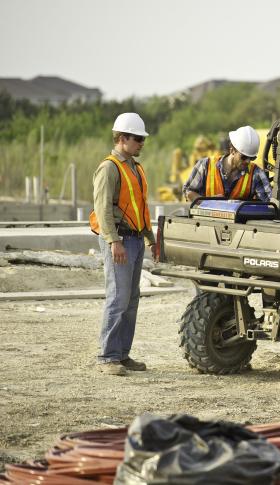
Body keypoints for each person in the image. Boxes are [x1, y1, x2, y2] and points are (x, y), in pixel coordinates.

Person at [89, 112, 156, 376]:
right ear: (122, 138)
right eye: (137, 138)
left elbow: (140, 207)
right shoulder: (108, 168)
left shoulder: (135, 167)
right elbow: (102, 208)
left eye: (142, 139)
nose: (141, 143)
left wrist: (150, 238)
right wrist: (113, 241)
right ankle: (107, 357)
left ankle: (122, 355)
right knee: (118, 298)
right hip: (119, 240)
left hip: (136, 239)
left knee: (131, 299)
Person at [183, 126, 272, 202]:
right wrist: (208, 202)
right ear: (232, 150)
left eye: (252, 158)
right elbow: (188, 191)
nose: (248, 161)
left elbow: (268, 202)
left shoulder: (256, 174)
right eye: (244, 157)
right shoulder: (205, 165)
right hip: (207, 221)